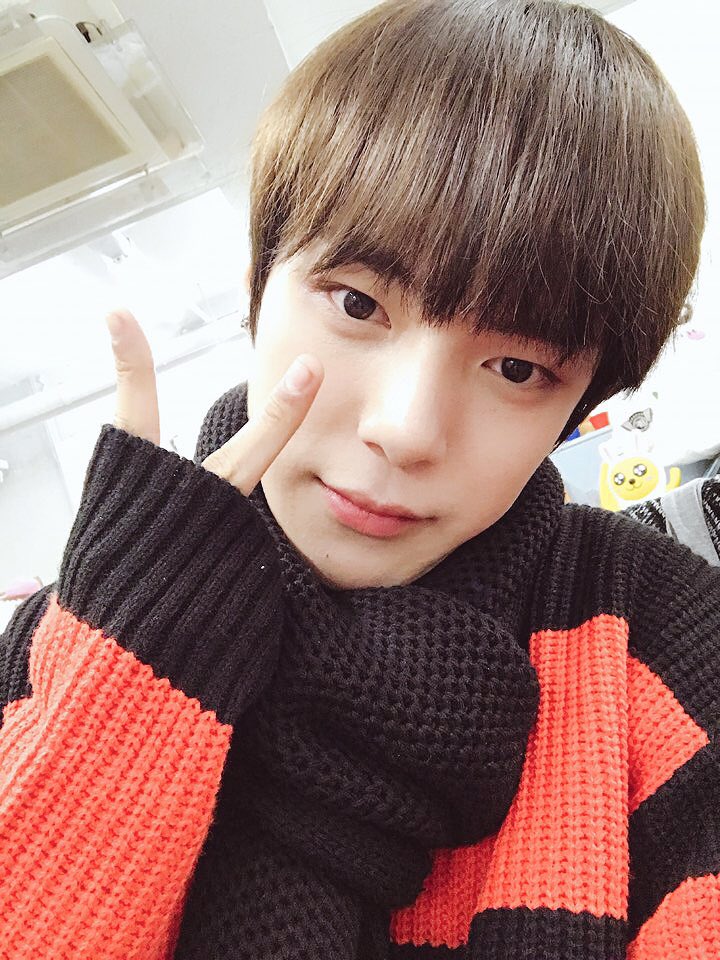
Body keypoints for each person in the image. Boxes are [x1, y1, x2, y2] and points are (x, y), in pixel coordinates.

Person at [0, 1, 717, 958]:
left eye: (516, 368)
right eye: (356, 303)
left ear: (580, 405)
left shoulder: (665, 652)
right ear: (259, 287)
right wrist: (129, 685)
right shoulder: (58, 643)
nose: (406, 430)